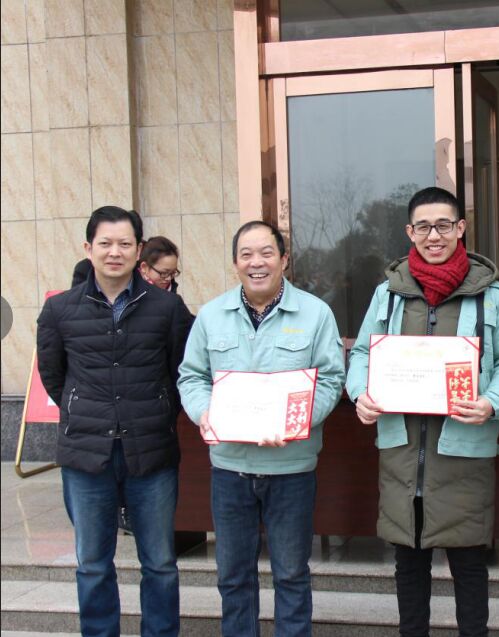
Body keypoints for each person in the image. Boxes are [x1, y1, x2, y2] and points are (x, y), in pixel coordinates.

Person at [346, 186, 499, 637]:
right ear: (409, 232)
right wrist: (360, 393)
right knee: (408, 564)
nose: (434, 236)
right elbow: (363, 354)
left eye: (443, 225)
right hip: (403, 452)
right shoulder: (388, 294)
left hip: (464, 449)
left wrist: (492, 402)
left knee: (469, 564)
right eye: (423, 227)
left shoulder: (492, 295)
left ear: (460, 228)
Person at [177, 221, 345, 636]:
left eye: (267, 253)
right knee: (234, 576)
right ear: (235, 263)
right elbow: (191, 376)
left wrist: (296, 421)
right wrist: (204, 412)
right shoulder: (212, 316)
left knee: (291, 574)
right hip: (230, 469)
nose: (257, 262)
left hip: (291, 469)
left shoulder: (315, 313)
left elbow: (330, 379)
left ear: (284, 259)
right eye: (247, 254)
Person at [36, 205, 193, 637]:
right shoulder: (59, 310)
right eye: (105, 243)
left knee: (160, 563)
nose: (114, 252)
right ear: (88, 248)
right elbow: (54, 376)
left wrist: (157, 410)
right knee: (92, 564)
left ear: (138, 250)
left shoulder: (167, 308)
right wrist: (87, 410)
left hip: (152, 452)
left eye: (124, 243)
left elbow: (181, 372)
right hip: (86, 455)